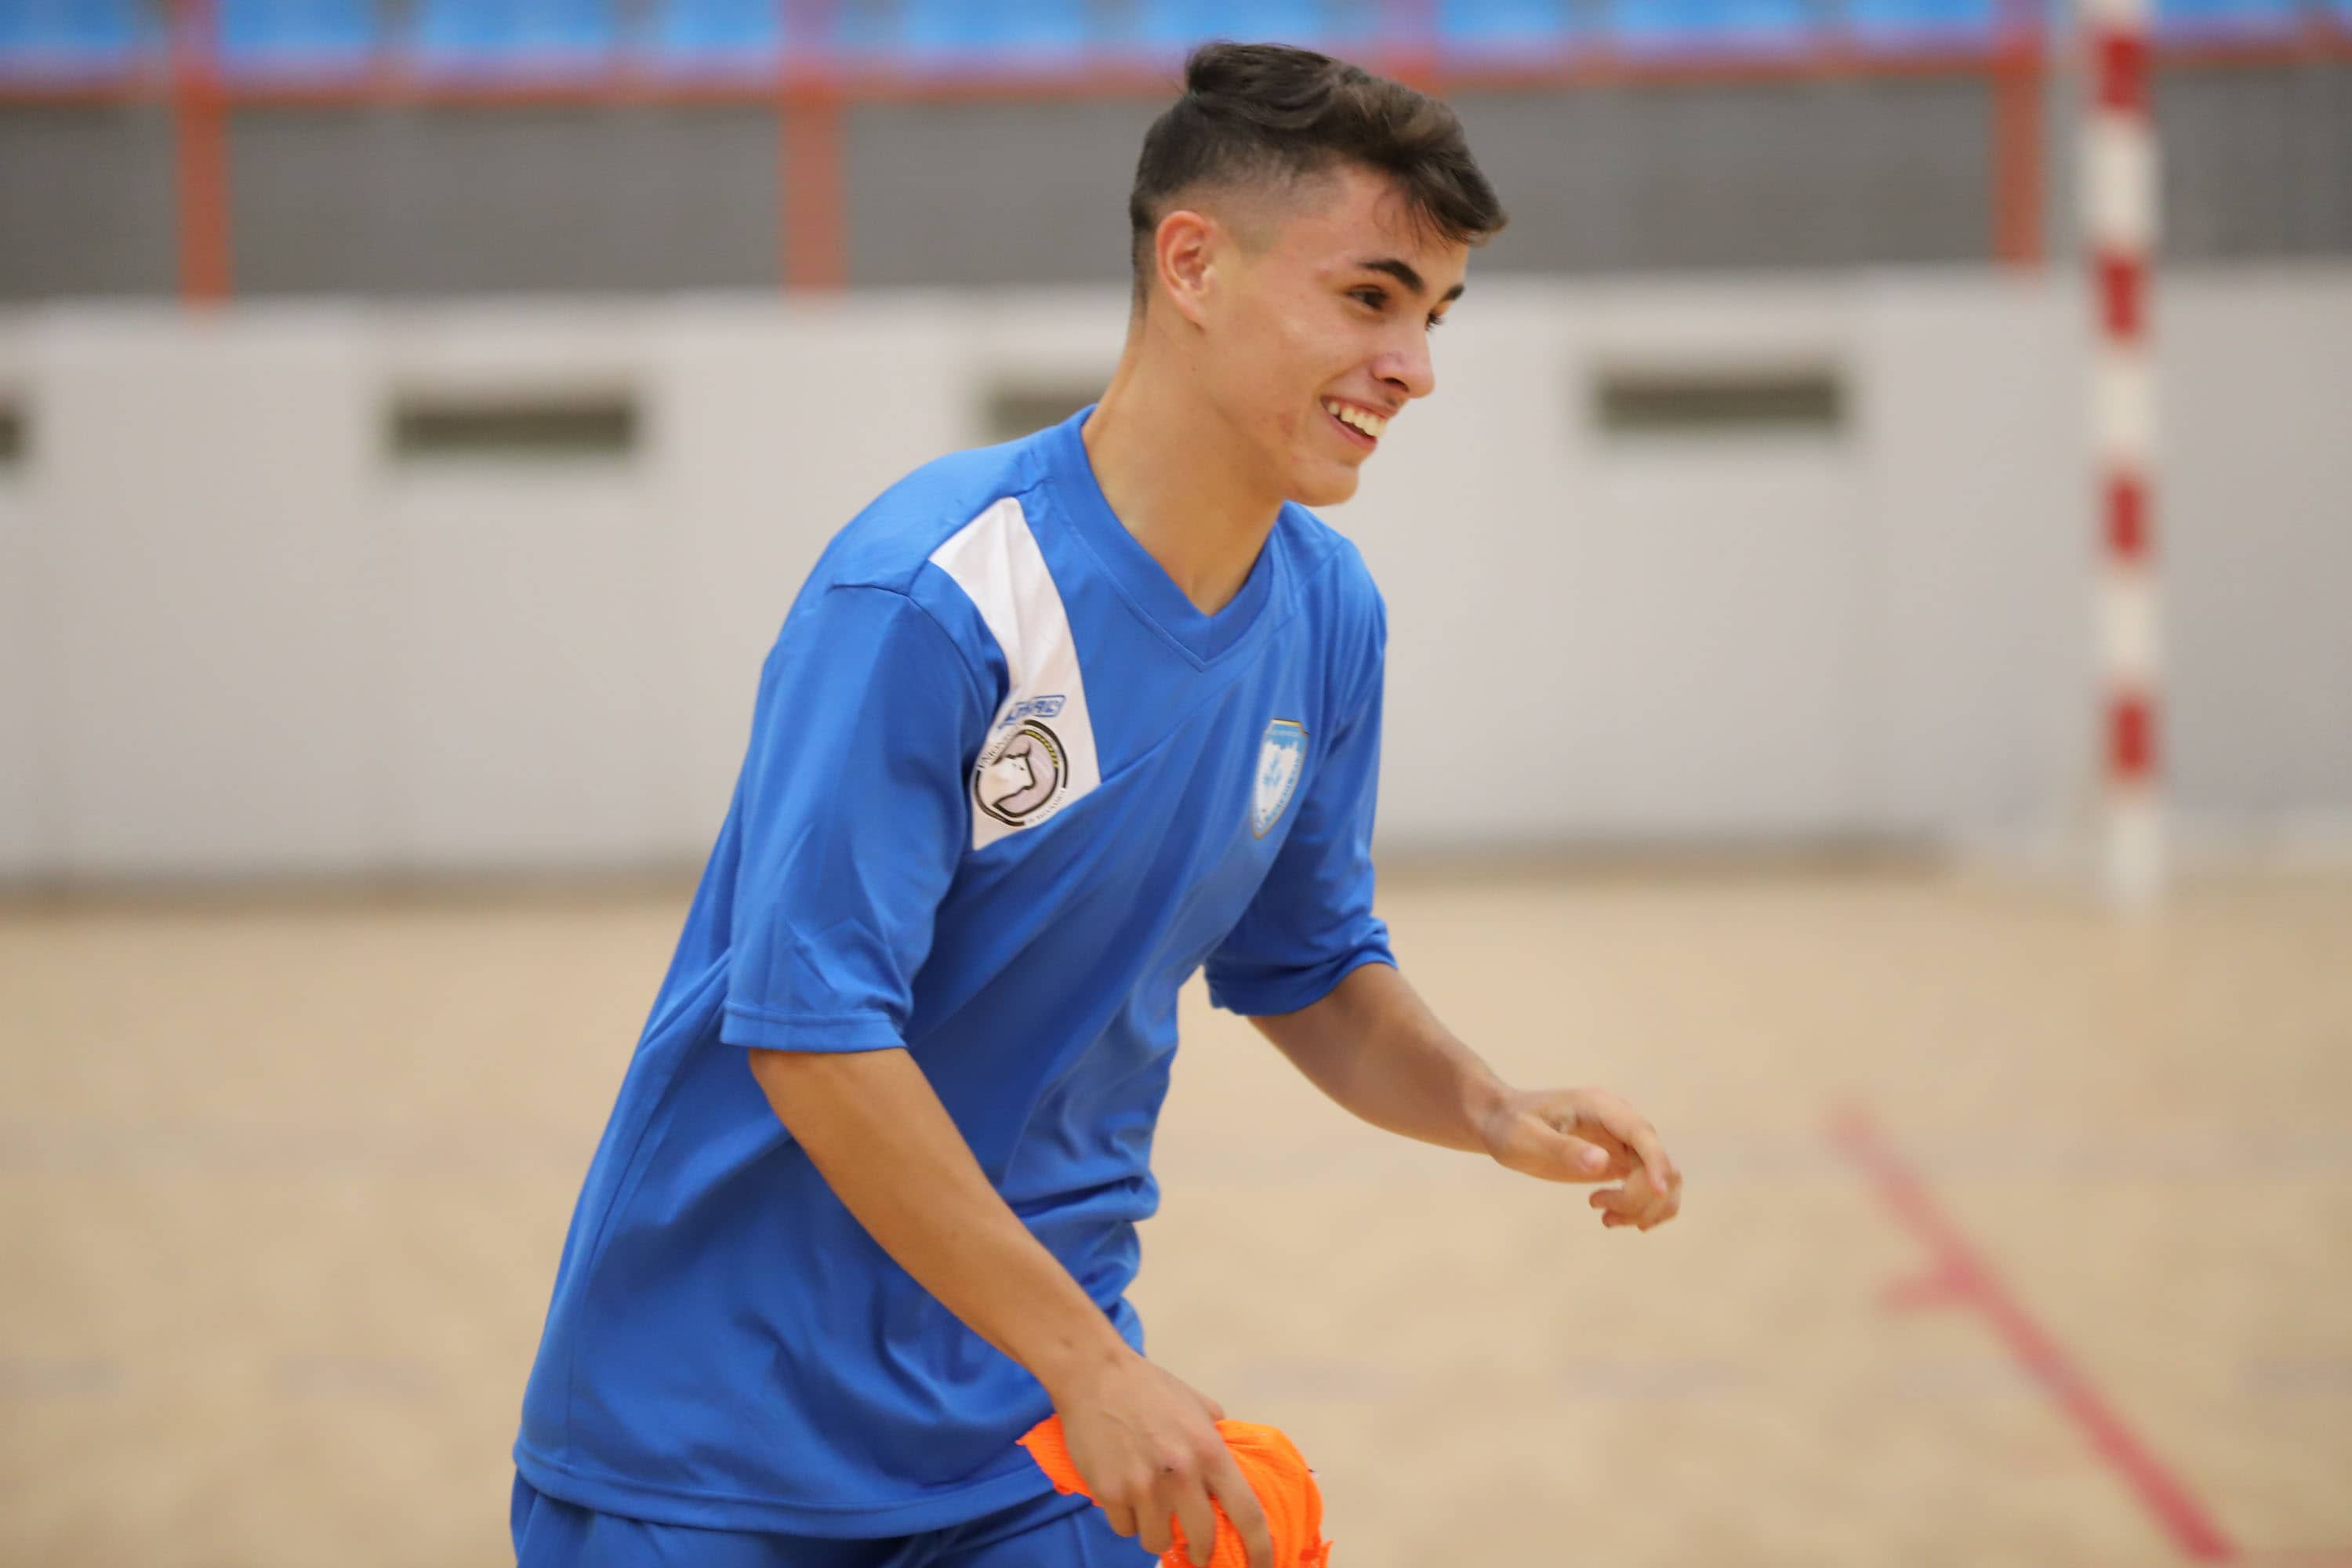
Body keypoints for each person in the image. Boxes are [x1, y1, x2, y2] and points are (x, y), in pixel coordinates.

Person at [510, 40, 1682, 1568]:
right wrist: (1095, 1365)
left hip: (1021, 1437)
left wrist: (1488, 1105)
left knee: (1256, 1527)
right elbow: (812, 1030)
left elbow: (1309, 965)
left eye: (1436, 315)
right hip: (715, 1450)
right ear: (1192, 264)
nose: (1418, 365)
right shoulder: (937, 592)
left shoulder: (1326, 614)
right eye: (1373, 297)